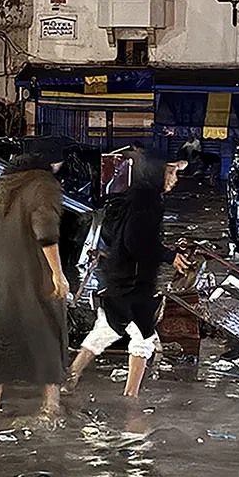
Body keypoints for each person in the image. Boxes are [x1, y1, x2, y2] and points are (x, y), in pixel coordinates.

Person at [65, 150, 190, 399]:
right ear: (159, 172)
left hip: (121, 277)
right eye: (172, 173)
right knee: (142, 338)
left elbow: (139, 238)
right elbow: (136, 241)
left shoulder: (140, 195)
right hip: (133, 283)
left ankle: (70, 378)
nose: (175, 179)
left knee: (107, 329)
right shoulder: (148, 200)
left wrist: (170, 250)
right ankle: (130, 397)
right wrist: (169, 256)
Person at [0, 137, 72, 418]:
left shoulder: (3, 184)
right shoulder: (44, 184)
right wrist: (58, 274)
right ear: (51, 160)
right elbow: (46, 233)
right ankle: (51, 405)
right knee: (48, 333)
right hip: (31, 274)